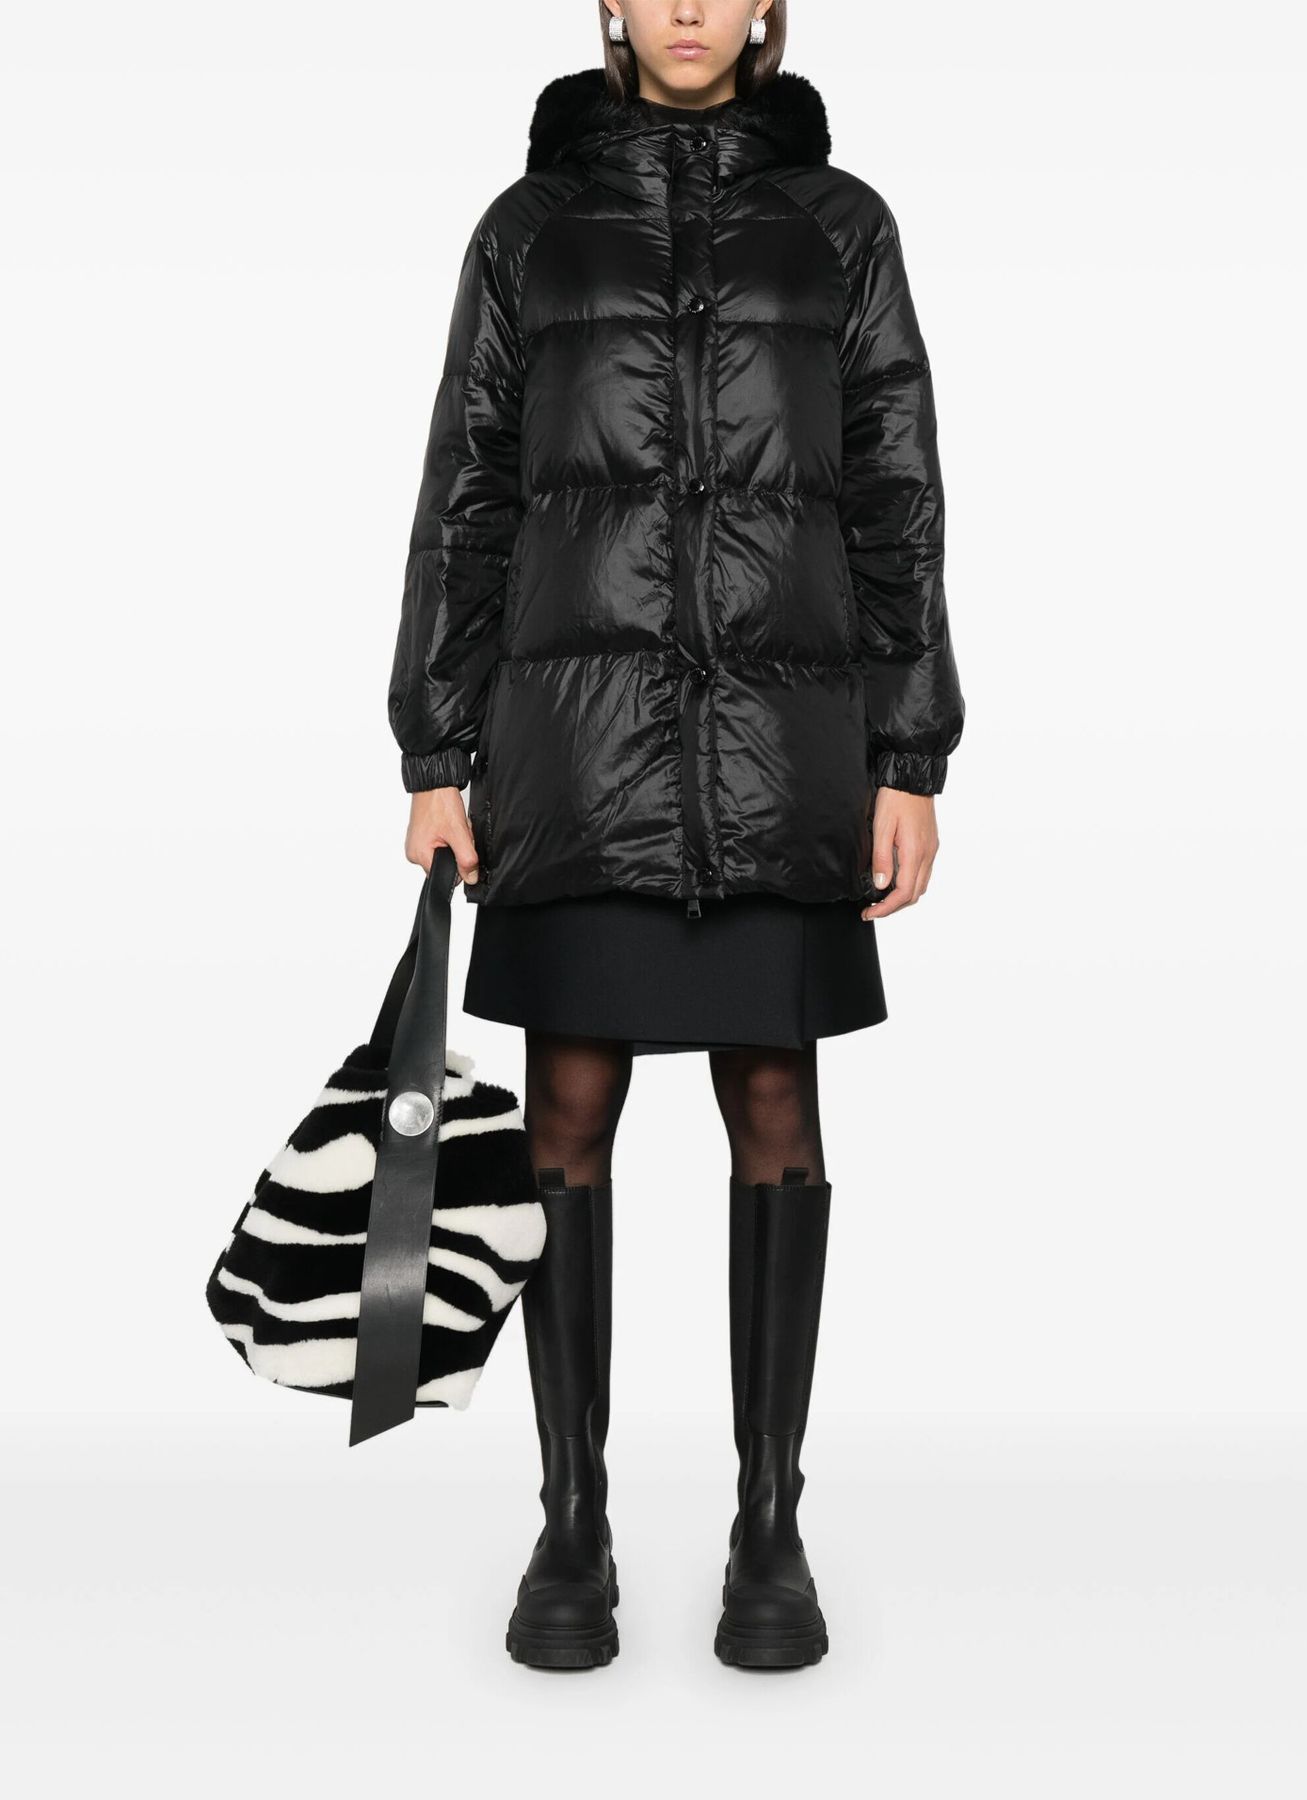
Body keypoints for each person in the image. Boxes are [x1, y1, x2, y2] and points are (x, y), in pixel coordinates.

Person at [388, 0, 963, 1670]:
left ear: (767, 6)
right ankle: (570, 1523)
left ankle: (767, 1525)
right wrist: (436, 745)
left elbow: (894, 488)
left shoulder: (839, 223)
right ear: (614, 6)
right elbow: (469, 487)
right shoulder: (530, 227)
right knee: (564, 1110)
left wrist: (907, 750)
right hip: (572, 745)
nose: (690, 4)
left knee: (774, 1101)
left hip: (785, 746)